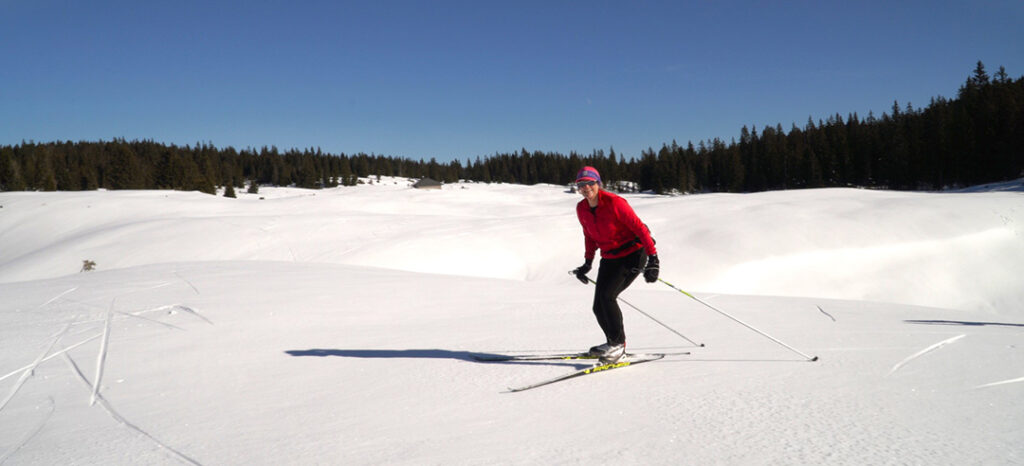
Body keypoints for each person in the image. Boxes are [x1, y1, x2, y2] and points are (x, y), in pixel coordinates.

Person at [571, 166, 659, 364]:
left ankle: (619, 346)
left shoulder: (615, 203)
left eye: (590, 183)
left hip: (633, 253)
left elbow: (640, 228)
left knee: (608, 297)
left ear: (598, 183)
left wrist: (653, 259)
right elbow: (588, 235)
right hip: (610, 257)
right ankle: (612, 342)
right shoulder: (581, 208)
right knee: (597, 306)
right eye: (581, 184)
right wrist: (587, 262)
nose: (586, 188)